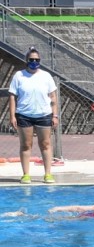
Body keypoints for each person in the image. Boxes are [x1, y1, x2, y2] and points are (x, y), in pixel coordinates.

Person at [8, 47, 59, 184]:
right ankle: (26, 174)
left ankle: (48, 174)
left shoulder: (46, 76)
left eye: (37, 60)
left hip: (43, 114)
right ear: (27, 60)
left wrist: (55, 115)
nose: (34, 62)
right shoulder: (19, 76)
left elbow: (53, 97)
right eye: (32, 59)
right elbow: (12, 96)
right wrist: (12, 116)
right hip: (24, 115)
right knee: (26, 145)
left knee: (46, 144)